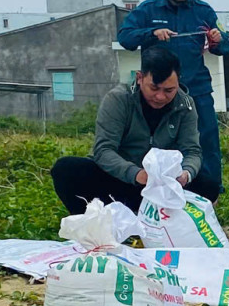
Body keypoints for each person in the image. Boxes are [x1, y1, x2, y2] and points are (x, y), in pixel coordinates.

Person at [116, 0, 229, 200]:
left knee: (206, 139)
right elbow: (125, 37)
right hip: (160, 91)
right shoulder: (148, 10)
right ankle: (154, 189)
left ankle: (209, 192)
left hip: (196, 88)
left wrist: (218, 40)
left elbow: (225, 45)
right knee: (160, 141)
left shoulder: (204, 11)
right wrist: (151, 33)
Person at [50, 46, 201, 213]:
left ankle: (156, 219)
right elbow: (103, 150)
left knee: (209, 184)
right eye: (154, 88)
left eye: (169, 90)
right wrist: (136, 174)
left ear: (178, 82)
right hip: (119, 181)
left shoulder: (185, 105)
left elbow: (192, 150)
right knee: (66, 169)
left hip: (162, 187)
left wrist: (185, 174)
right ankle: (95, 224)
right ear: (139, 78)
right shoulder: (118, 99)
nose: (160, 97)